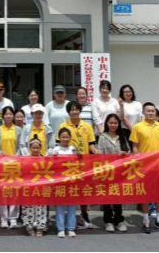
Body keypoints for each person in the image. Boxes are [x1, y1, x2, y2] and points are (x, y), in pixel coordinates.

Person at [129, 103, 159, 235]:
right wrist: (138, 159)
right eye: (148, 111)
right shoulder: (138, 127)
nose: (151, 113)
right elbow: (135, 146)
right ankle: (146, 219)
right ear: (143, 112)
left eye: (153, 111)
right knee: (145, 193)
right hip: (145, 167)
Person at [57, 101, 97, 229]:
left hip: (84, 164)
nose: (74, 112)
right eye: (72, 110)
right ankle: (68, 218)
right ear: (68, 112)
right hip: (67, 166)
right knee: (69, 191)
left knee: (84, 191)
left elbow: (91, 144)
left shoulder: (87, 126)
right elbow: (59, 144)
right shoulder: (63, 126)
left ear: (80, 111)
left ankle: (83, 215)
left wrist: (97, 152)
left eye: (76, 109)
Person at [97, 114, 130, 233]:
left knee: (118, 197)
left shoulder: (122, 136)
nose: (113, 125)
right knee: (107, 197)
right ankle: (108, 221)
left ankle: (118, 220)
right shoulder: (102, 137)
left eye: (115, 123)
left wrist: (124, 154)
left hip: (120, 173)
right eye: (110, 123)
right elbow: (99, 154)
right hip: (107, 172)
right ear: (107, 124)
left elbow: (129, 152)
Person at [0, 106, 21, 229]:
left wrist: (15, 157)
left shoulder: (18, 129)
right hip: (2, 165)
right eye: (6, 114)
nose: (8, 116)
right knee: (3, 192)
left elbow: (21, 146)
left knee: (14, 192)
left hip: (15, 164)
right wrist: (4, 157)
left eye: (10, 114)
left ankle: (13, 218)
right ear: (2, 116)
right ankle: (3, 219)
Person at [52, 128, 78, 239]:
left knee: (72, 206)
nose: (65, 139)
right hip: (59, 182)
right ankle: (61, 228)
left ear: (70, 137)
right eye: (63, 137)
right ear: (59, 138)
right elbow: (49, 164)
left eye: (67, 137)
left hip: (71, 181)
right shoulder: (55, 149)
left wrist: (79, 156)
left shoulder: (73, 149)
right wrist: (53, 157)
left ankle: (71, 228)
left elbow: (79, 163)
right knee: (60, 206)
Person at [22, 135, 48, 237]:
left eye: (37, 148)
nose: (35, 150)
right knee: (29, 207)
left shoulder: (44, 160)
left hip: (41, 188)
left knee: (40, 208)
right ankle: (30, 226)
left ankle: (40, 227)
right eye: (33, 148)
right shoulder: (25, 160)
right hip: (29, 188)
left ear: (40, 148)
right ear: (30, 148)